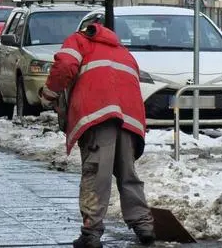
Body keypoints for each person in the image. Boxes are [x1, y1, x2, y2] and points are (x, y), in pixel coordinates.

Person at [39, 23, 155, 248]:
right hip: (130, 117)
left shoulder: (78, 41)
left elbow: (65, 65)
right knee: (127, 173)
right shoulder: (121, 51)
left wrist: (49, 94)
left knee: (97, 174)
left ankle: (91, 234)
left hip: (98, 113)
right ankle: (144, 225)